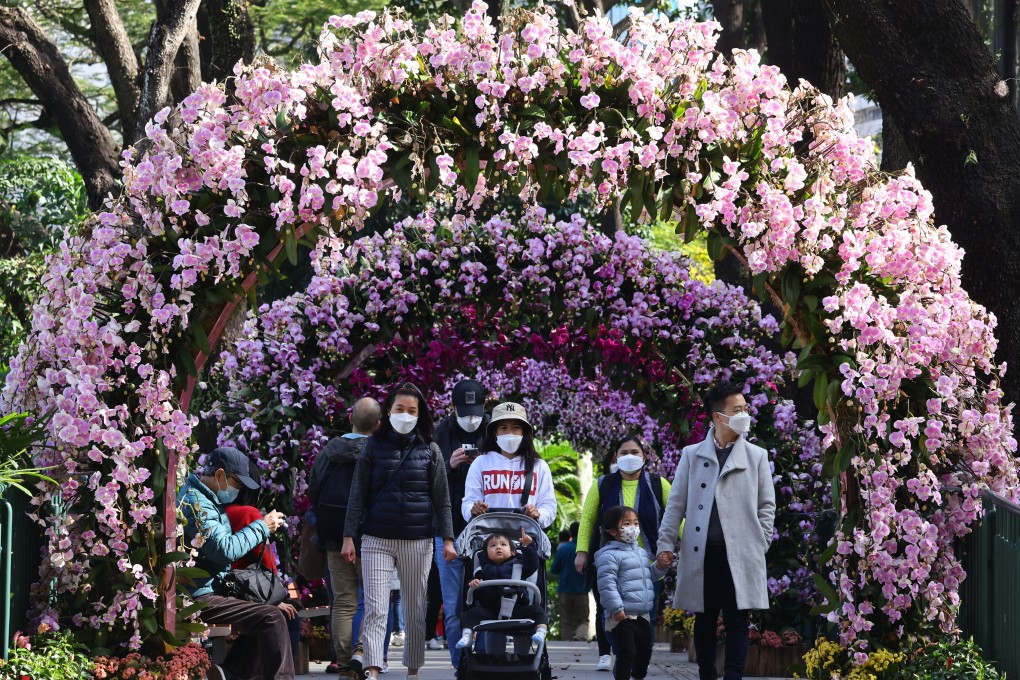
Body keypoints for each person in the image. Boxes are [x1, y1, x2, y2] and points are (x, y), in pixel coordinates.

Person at [656, 382, 776, 680]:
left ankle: (733, 676)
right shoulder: (692, 454)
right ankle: (707, 674)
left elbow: (767, 505)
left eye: (746, 409)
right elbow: (676, 505)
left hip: (741, 552)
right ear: (718, 417)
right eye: (738, 410)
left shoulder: (757, 456)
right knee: (705, 619)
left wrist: (759, 542)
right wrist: (665, 544)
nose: (745, 415)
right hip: (701, 552)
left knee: (737, 620)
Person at [341, 383, 457, 680]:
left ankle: (414, 671)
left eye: (412, 411)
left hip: (418, 541)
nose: (405, 415)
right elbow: (357, 494)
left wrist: (447, 539)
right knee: (377, 608)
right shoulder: (372, 447)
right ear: (387, 412)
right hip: (376, 539)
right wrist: (348, 536)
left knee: (415, 610)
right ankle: (373, 669)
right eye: (399, 409)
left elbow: (442, 499)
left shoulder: (431, 450)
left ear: (420, 416)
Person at [177, 446, 293, 680]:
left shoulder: (208, 500)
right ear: (220, 475)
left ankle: (230, 674)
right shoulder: (196, 502)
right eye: (236, 484)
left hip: (211, 588)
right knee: (270, 618)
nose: (237, 491)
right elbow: (225, 551)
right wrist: (262, 526)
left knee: (271, 615)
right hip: (198, 595)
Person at [575, 435, 671, 672]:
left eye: (635, 452)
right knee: (609, 609)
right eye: (623, 452)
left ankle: (639, 660)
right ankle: (613, 654)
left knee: (645, 613)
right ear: (615, 457)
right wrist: (581, 552)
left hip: (645, 563)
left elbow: (675, 517)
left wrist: (690, 542)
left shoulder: (660, 485)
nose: (630, 457)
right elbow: (587, 520)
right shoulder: (603, 484)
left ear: (644, 456)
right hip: (610, 558)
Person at [309, 396, 382, 675]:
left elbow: (314, 490)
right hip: (371, 535)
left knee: (343, 601)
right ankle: (362, 652)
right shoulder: (378, 451)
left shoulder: (330, 450)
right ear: (377, 425)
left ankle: (342, 660)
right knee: (374, 599)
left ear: (350, 418)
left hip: (334, 535)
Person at [433, 379, 489, 669]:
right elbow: (425, 480)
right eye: (464, 411)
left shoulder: (495, 430)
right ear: (452, 407)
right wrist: (449, 465)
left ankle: (489, 661)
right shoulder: (439, 432)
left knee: (488, 601)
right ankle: (461, 666)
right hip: (448, 532)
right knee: (453, 605)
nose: (471, 418)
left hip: (488, 534)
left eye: (476, 411)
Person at [595, 506, 666, 680]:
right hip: (622, 615)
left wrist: (659, 567)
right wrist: (617, 609)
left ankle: (638, 676)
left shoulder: (641, 553)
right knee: (627, 652)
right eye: (627, 524)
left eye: (635, 523)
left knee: (645, 650)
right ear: (612, 531)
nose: (633, 528)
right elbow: (606, 585)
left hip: (642, 614)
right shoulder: (608, 556)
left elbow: (648, 576)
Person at [461, 402, 557, 528]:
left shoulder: (539, 466)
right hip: (489, 541)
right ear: (495, 432)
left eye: (515, 427)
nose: (510, 433)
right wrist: (473, 510)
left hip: (526, 541)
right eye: (503, 428)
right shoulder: (480, 463)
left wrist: (538, 514)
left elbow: (549, 505)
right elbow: (468, 502)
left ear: (524, 431)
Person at [455, 528, 548, 650]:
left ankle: (540, 631)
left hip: (517, 610)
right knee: (471, 614)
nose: (498, 547)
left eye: (503, 545)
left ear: (513, 552)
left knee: (538, 610)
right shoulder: (481, 570)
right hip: (491, 610)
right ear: (486, 553)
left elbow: (532, 565)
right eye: (493, 546)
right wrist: (474, 584)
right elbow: (474, 595)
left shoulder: (519, 565)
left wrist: (528, 546)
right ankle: (467, 636)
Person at [550, 521, 589, 641]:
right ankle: (579, 636)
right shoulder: (587, 549)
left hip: (564, 590)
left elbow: (554, 569)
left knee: (566, 620)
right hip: (581, 590)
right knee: (583, 619)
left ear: (571, 534)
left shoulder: (563, 549)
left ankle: (567, 642)